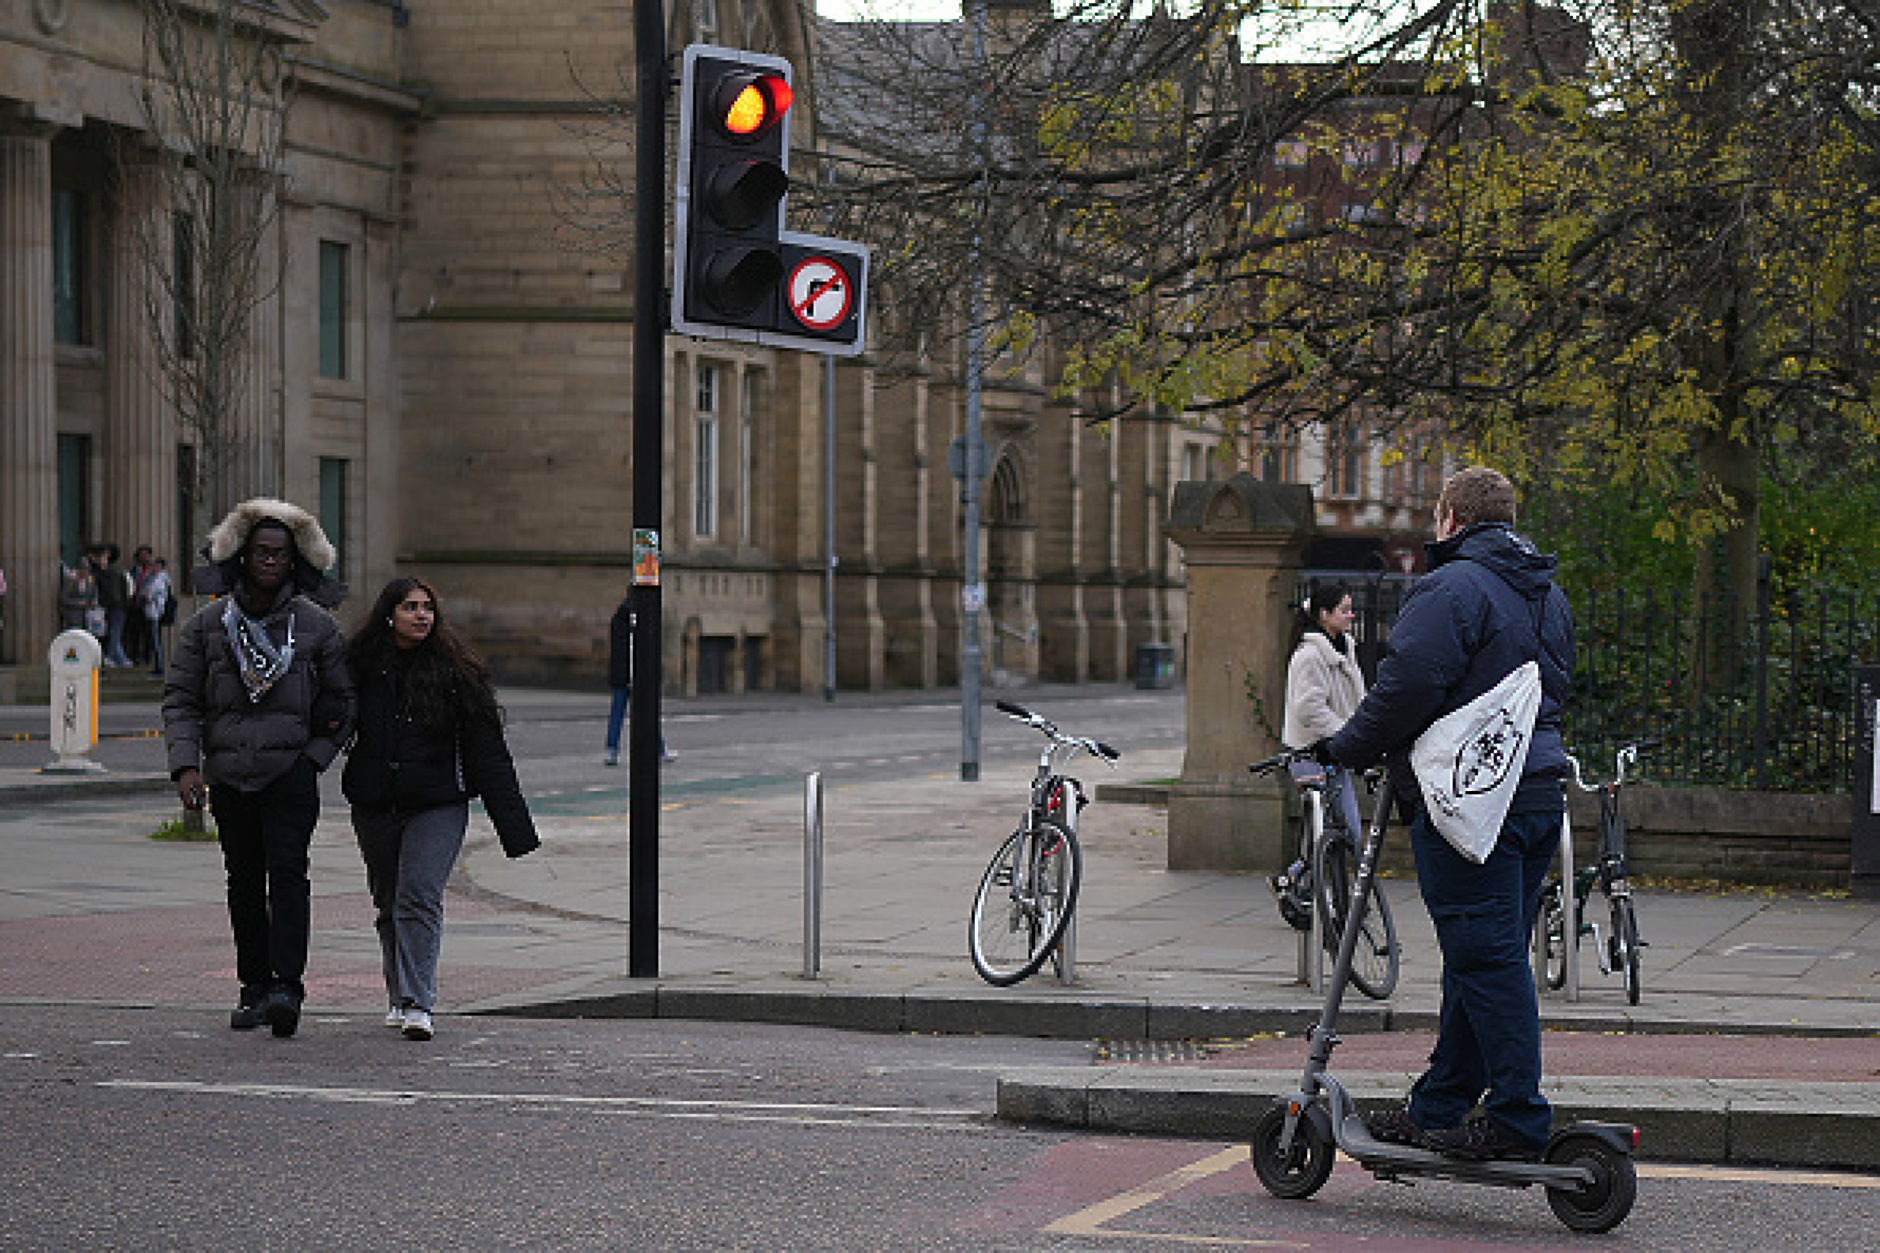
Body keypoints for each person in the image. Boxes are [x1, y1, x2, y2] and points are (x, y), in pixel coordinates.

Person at [1320, 466, 1574, 1162]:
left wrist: (1346, 746)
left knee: (1485, 959)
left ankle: (1518, 1115)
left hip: (1471, 803)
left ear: (1451, 520)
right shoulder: (1548, 594)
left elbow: (1405, 687)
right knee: (1482, 957)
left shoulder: (1450, 587)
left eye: (1437, 519)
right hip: (1537, 796)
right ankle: (1439, 1104)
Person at [161, 498, 354, 1038]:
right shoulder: (207, 626)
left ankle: (286, 988)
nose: (270, 560)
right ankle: (253, 987)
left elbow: (343, 703)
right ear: (242, 556)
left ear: (295, 561)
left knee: (288, 877)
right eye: (261, 551)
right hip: (230, 776)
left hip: (289, 775)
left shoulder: (316, 627)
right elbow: (181, 699)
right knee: (243, 882)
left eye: (281, 553)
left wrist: (313, 761)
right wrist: (186, 767)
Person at [343, 576, 540, 1041]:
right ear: (389, 614)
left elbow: (488, 751)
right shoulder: (361, 666)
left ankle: (418, 1003)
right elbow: (330, 721)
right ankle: (398, 995)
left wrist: (514, 826)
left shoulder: (457, 673)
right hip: (376, 804)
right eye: (410, 607)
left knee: (419, 895)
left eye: (427, 608)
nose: (421, 615)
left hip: (438, 804)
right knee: (388, 902)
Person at [1269, 581, 1367, 924]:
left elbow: (1357, 699)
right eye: (1345, 610)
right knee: (1324, 828)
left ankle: (1300, 879)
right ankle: (1312, 887)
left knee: (1351, 832)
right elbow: (1308, 709)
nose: (1352, 615)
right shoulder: (1310, 656)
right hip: (1309, 752)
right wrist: (1347, 731)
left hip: (1336, 750)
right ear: (1324, 615)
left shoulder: (1344, 648)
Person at [604, 594, 674, 766]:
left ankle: (612, 750)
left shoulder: (618, 622)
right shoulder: (637, 622)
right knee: (648, 713)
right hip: (636, 674)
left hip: (621, 675)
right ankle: (660, 749)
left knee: (618, 713)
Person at [96, 543, 133, 666]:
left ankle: (118, 659)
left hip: (115, 607)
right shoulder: (119, 570)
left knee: (114, 633)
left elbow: (110, 592)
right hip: (120, 606)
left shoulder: (110, 572)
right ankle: (116, 658)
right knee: (114, 633)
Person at [142, 556, 173, 676]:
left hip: (155, 613)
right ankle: (157, 665)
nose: (152, 568)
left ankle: (159, 667)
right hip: (151, 612)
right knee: (153, 640)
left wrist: (148, 596)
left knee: (156, 641)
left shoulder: (160, 580)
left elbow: (156, 597)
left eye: (154, 566)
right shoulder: (152, 578)